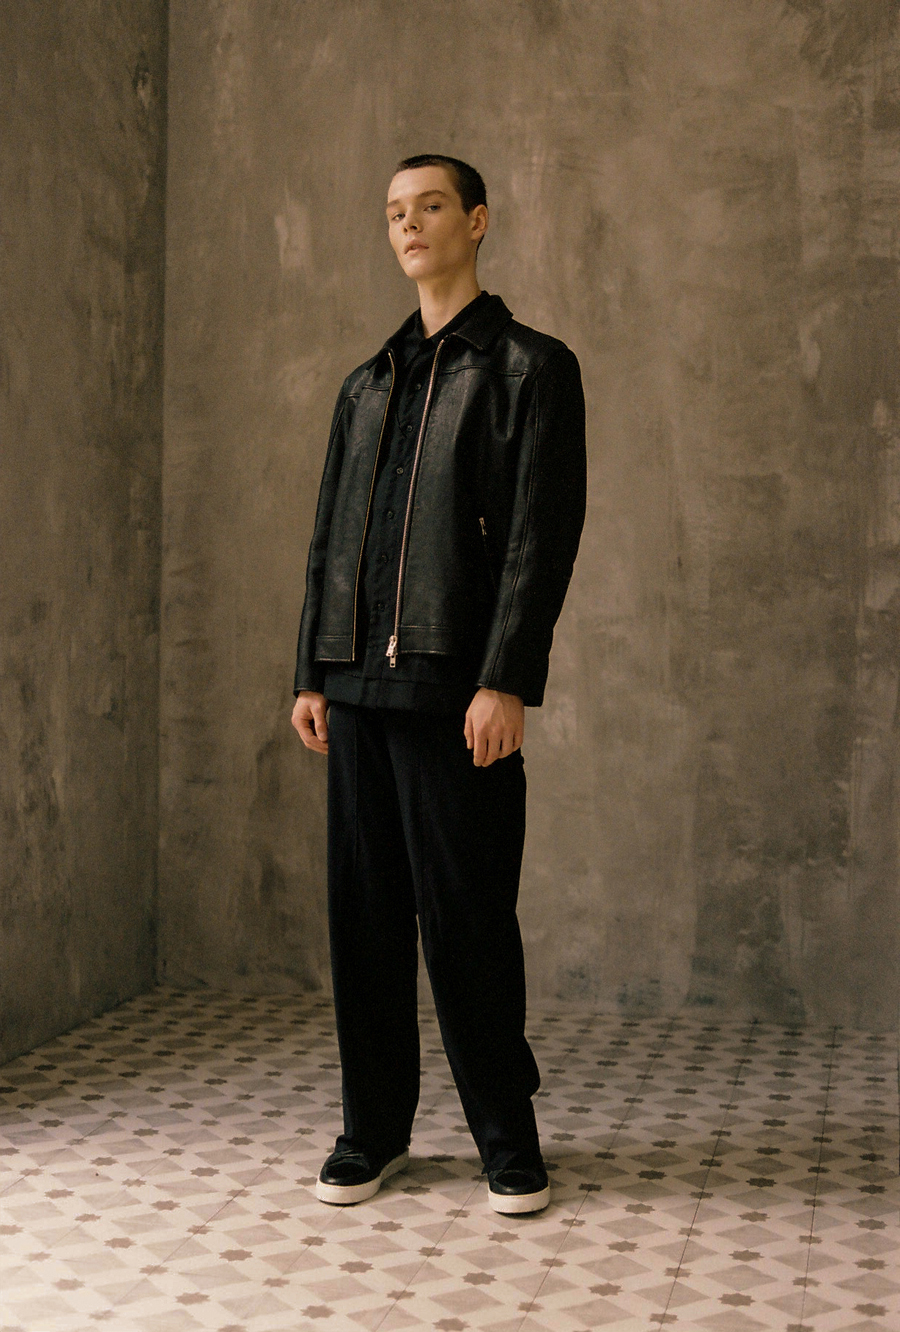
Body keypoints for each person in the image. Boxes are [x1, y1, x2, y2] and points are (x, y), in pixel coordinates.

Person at [291, 153, 586, 1214]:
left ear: (478, 221)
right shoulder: (364, 384)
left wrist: (505, 680)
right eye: (393, 214)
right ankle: (370, 1133)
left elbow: (539, 541)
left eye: (429, 207)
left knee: (468, 921)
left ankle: (507, 1138)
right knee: (364, 924)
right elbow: (330, 537)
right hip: (354, 692)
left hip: (457, 693)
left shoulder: (529, 369)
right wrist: (312, 670)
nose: (409, 226)